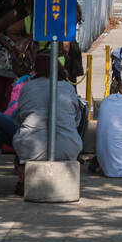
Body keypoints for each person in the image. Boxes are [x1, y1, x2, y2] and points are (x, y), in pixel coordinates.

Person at [12, 51, 86, 192]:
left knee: (9, 127)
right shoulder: (68, 87)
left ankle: (20, 179)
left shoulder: (27, 87)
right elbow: (76, 120)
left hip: (30, 150)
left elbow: (19, 119)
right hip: (68, 149)